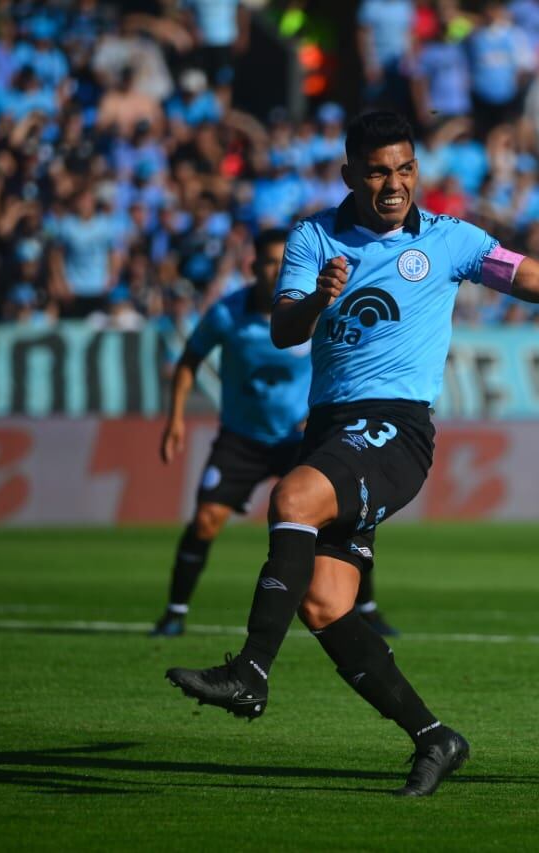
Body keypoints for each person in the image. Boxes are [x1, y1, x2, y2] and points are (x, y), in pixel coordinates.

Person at [166, 111, 539, 797]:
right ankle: (435, 736)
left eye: (404, 169)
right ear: (348, 175)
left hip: (397, 429)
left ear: (416, 170)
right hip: (331, 428)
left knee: (292, 498)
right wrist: (315, 305)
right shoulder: (313, 237)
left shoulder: (453, 241)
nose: (393, 184)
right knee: (327, 604)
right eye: (376, 171)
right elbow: (282, 328)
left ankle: (251, 670)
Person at [152, 229, 401, 638]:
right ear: (253, 268)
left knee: (340, 522)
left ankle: (367, 609)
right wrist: (175, 420)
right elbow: (189, 361)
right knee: (204, 521)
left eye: (283, 262)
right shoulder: (227, 314)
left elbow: (348, 358)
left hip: (300, 439)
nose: (276, 270)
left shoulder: (317, 309)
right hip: (241, 439)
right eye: (268, 262)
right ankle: (174, 612)